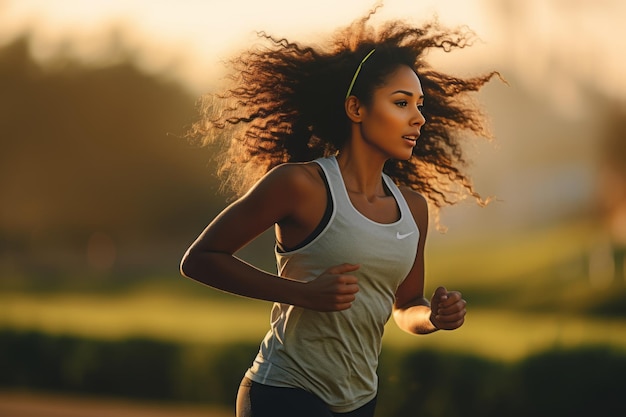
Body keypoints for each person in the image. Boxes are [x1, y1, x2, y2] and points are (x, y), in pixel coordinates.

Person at [180, 6, 498, 417]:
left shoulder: (412, 208)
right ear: (356, 109)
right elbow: (201, 260)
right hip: (284, 393)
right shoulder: (300, 185)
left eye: (420, 105)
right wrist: (303, 295)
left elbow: (405, 306)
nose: (418, 118)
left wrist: (433, 317)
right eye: (402, 103)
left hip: (360, 402)